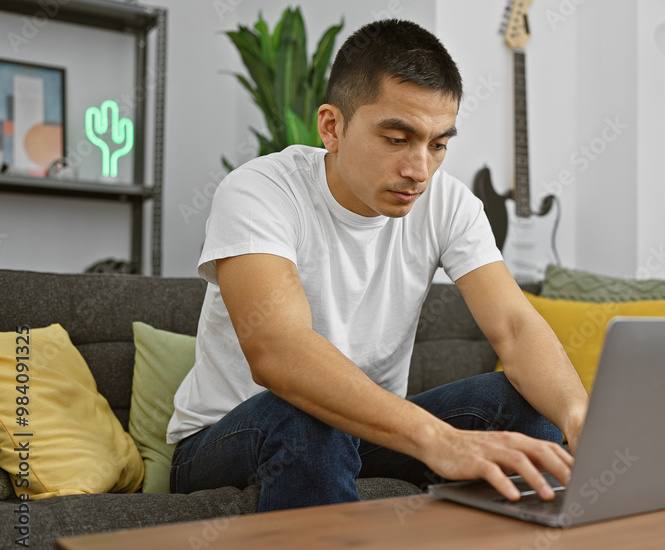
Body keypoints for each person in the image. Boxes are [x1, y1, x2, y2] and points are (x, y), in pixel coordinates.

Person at [166, 18, 589, 512]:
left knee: (522, 405)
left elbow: (515, 328)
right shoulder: (261, 190)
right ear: (332, 127)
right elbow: (278, 351)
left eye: (438, 144)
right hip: (229, 436)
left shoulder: (450, 204)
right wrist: (438, 439)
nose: (419, 170)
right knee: (305, 417)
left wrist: (579, 417)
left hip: (368, 433)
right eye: (396, 139)